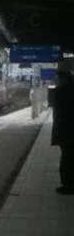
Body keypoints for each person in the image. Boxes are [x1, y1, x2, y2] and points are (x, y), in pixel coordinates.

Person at [51, 59, 74, 194]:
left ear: (61, 77)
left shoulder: (60, 92)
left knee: (66, 158)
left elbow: (58, 115)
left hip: (66, 132)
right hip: (69, 130)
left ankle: (68, 185)